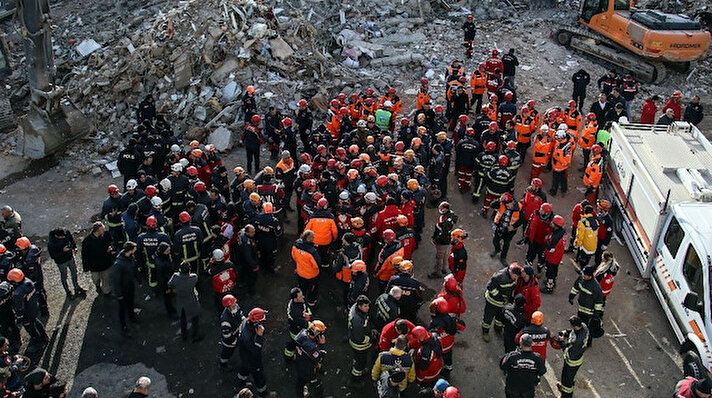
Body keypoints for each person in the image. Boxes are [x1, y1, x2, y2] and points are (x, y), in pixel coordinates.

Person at [7, 269, 48, 353]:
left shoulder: (17, 294)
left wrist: (19, 318)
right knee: (36, 321)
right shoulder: (28, 282)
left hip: (27, 312)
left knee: (30, 328)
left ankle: (39, 343)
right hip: (34, 306)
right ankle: (44, 336)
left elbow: (19, 308)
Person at [482, 263, 521, 342]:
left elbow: (511, 288)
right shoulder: (499, 277)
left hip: (503, 303)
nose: (516, 278)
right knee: (488, 318)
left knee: (499, 318)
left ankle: (498, 328)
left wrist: (509, 298)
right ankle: (485, 331)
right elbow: (490, 287)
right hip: (492, 302)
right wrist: (500, 296)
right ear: (511, 272)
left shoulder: (512, 278)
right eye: (515, 276)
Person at [500, 333, 546, 398]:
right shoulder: (537, 358)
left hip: (513, 388)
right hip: (528, 390)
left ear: (520, 343)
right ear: (531, 343)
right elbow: (543, 371)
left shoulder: (512, 356)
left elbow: (503, 366)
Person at [237, 308, 270, 397]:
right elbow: (255, 352)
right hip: (253, 362)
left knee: (244, 368)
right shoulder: (248, 337)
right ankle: (263, 394)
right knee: (259, 377)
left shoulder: (245, 322)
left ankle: (241, 382)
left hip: (244, 356)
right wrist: (259, 337)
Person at [555, 315, 589, 398]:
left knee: (567, 380)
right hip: (578, 358)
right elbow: (573, 331)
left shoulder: (576, 342)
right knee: (568, 376)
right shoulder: (584, 326)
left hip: (572, 362)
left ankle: (566, 395)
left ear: (574, 326)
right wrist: (566, 332)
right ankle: (564, 388)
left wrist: (562, 342)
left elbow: (567, 352)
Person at [169, 261, 203, 342]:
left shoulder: (175, 276)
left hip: (181, 302)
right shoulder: (194, 277)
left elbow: (170, 284)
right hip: (192, 302)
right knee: (195, 319)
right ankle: (195, 336)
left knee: (183, 320)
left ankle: (184, 335)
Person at [47, 228, 86, 299]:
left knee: (74, 272)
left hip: (70, 257)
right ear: (57, 236)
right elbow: (53, 256)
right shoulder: (51, 244)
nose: (64, 237)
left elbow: (71, 239)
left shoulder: (66, 233)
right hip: (61, 262)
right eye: (62, 237)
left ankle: (76, 287)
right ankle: (67, 291)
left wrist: (74, 247)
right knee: (64, 276)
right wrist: (62, 251)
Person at [569, 265, 604, 343]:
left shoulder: (596, 287)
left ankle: (587, 342)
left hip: (589, 312)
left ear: (590, 276)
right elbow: (576, 287)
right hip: (581, 308)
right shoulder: (581, 278)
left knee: (588, 328)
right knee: (579, 324)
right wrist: (571, 296)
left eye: (584, 274)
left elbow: (598, 303)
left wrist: (596, 316)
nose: (582, 275)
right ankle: (578, 338)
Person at [111, 242, 139, 337]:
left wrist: (138, 280)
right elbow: (116, 280)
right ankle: (123, 326)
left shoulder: (131, 257)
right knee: (122, 309)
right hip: (123, 289)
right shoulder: (118, 264)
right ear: (130, 250)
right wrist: (118, 294)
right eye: (134, 249)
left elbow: (134, 269)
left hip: (130, 286)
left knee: (131, 302)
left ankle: (132, 316)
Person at [489, 193, 524, 265]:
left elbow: (522, 220)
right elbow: (492, 205)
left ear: (512, 201)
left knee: (506, 244)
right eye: (506, 204)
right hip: (499, 226)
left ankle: (503, 257)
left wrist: (513, 226)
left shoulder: (519, 207)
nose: (508, 206)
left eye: (509, 204)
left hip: (509, 231)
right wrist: (499, 200)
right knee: (495, 240)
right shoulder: (501, 203)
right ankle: (497, 249)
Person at [295, 320, 327, 396]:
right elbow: (320, 358)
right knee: (317, 385)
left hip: (299, 364)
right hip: (309, 370)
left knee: (300, 382)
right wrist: (322, 345)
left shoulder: (302, 333)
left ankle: (300, 394)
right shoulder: (311, 347)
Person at [348, 295, 374, 387]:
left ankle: (359, 371)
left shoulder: (355, 308)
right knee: (360, 363)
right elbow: (360, 338)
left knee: (359, 360)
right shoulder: (357, 320)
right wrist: (370, 338)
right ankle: (355, 379)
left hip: (355, 340)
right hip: (360, 346)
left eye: (368, 306)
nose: (368, 308)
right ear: (359, 306)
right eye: (365, 306)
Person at [292, 230, 321, 307]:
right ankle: (311, 302)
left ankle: (302, 300)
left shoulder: (296, 245)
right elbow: (317, 265)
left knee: (302, 288)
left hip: (300, 272)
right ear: (309, 239)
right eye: (313, 237)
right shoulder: (312, 251)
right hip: (311, 276)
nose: (314, 238)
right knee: (312, 290)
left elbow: (294, 256)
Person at [430, 202, 458, 279]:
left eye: (441, 208)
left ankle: (437, 272)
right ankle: (444, 268)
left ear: (445, 209)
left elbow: (442, 232)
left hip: (442, 240)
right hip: (448, 239)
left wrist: (436, 239)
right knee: (445, 254)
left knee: (439, 257)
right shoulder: (451, 215)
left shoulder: (443, 220)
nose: (440, 209)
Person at [284, 287, 311, 360]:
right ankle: (289, 356)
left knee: (294, 342)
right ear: (295, 299)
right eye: (300, 296)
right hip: (296, 331)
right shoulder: (294, 312)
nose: (303, 297)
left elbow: (305, 308)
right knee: (296, 343)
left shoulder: (298, 301)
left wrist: (309, 315)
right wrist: (313, 326)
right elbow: (304, 324)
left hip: (297, 327)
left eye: (302, 295)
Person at [219, 294, 244, 369]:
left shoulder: (236, 307)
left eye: (234, 303)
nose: (235, 305)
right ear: (228, 307)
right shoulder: (225, 320)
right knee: (227, 353)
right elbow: (227, 335)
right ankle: (222, 364)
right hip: (229, 343)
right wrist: (234, 342)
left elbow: (240, 315)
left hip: (236, 335)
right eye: (233, 305)